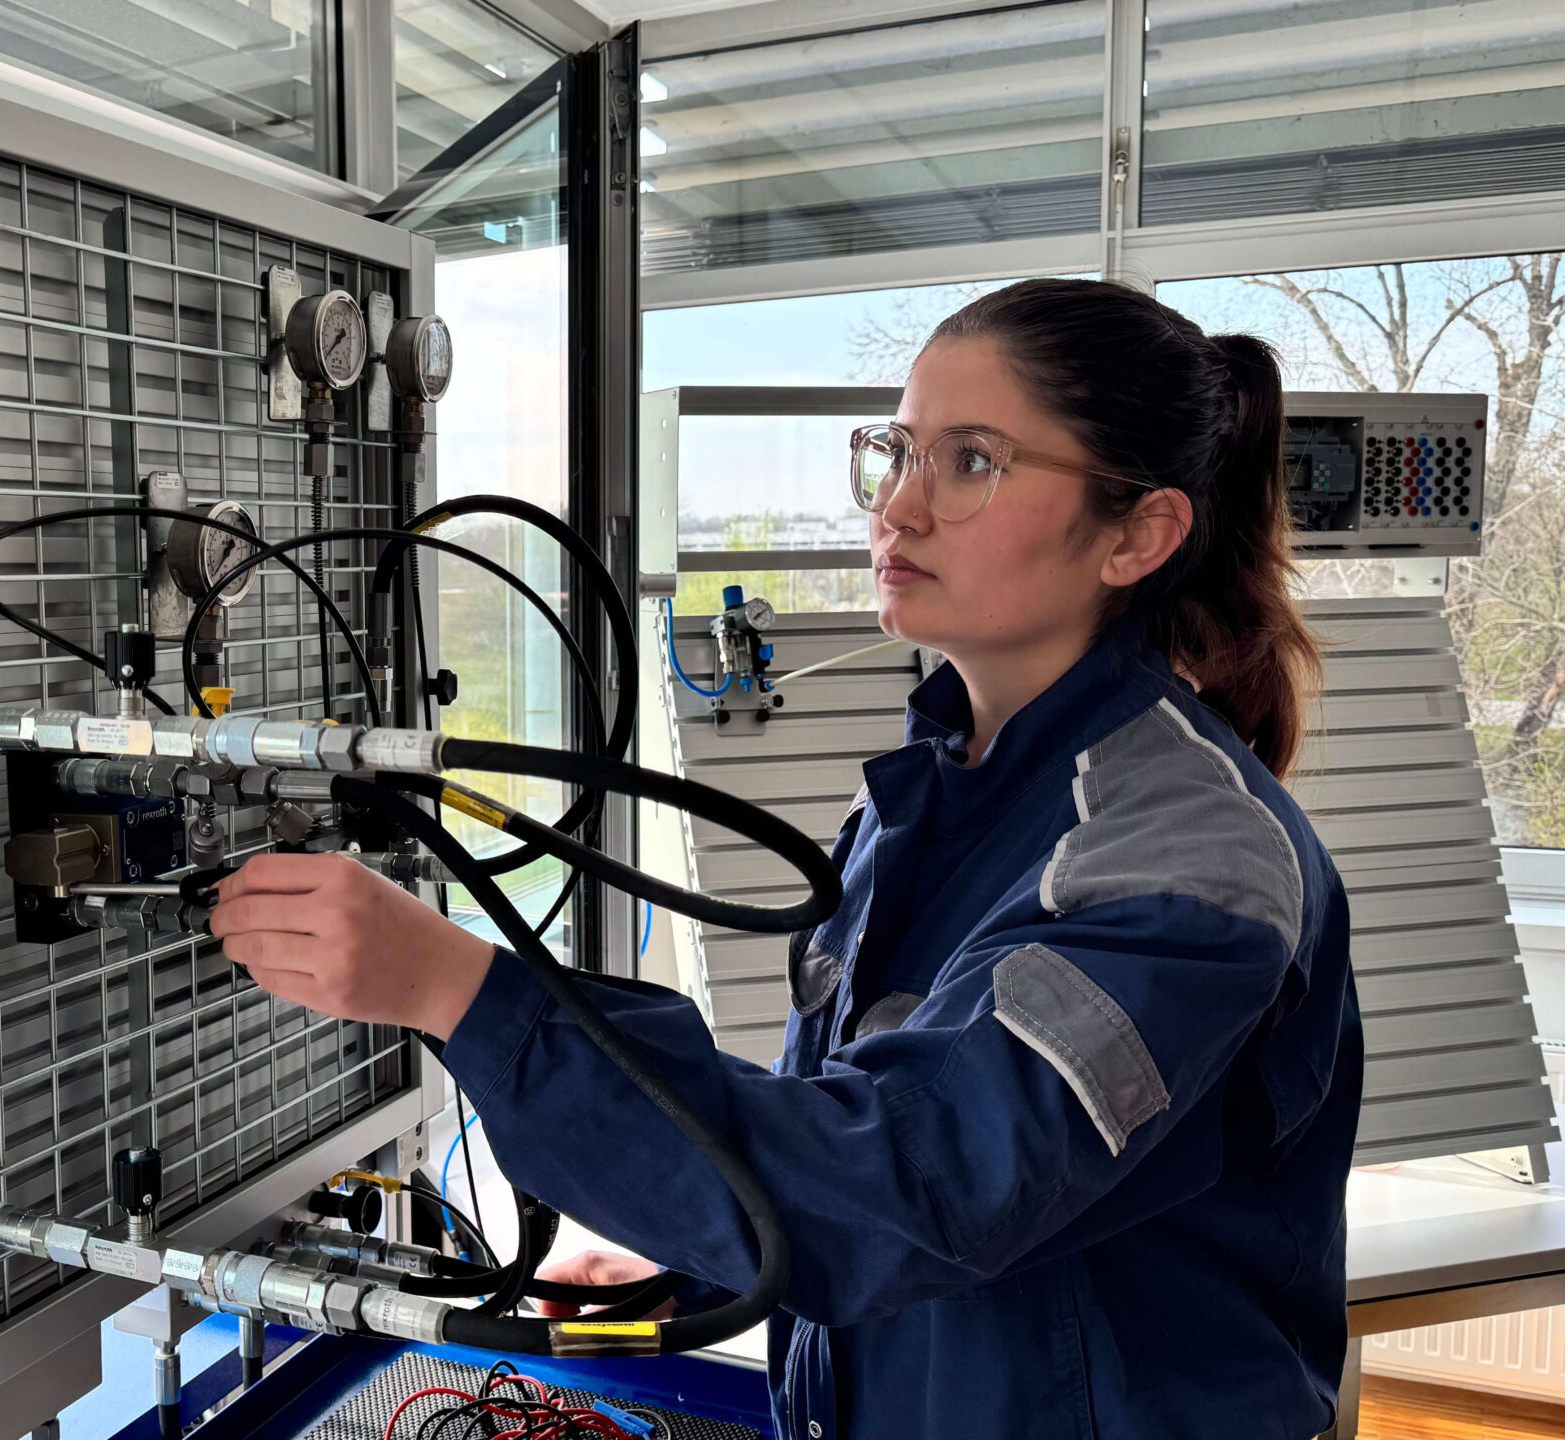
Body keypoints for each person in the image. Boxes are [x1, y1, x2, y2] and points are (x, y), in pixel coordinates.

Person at [208, 277, 1360, 1438]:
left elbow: (906, 1191)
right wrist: (684, 1269)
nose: (899, 509)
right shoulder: (932, 795)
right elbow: (844, 1127)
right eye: (895, 451)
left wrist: (461, 993)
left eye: (970, 463)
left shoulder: (1183, 862)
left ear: (1137, 534)